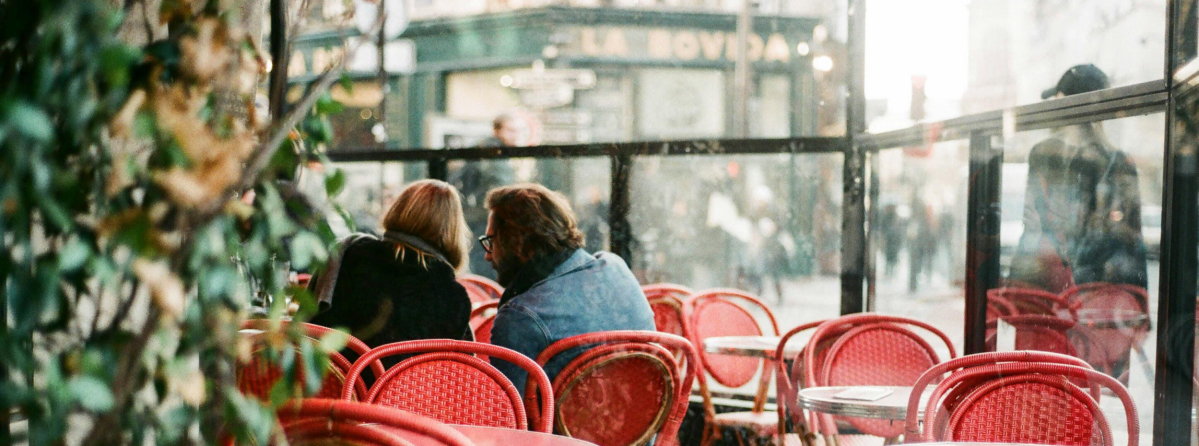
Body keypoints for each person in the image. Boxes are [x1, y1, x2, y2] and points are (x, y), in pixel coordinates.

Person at [482, 184, 655, 392]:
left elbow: (509, 414)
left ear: (516, 241)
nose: (487, 255)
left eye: (491, 241)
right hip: (647, 421)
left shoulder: (520, 317)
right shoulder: (616, 268)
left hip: (560, 425)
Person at [1008, 64, 1148, 293]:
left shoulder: (1043, 154)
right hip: (1099, 290)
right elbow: (1133, 242)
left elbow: (1032, 225)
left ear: (1064, 101)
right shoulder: (1120, 162)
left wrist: (1015, 287)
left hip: (1047, 287)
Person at [308, 180, 473, 364]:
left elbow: (307, 327)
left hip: (336, 387)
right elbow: (458, 372)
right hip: (405, 393)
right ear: (453, 230)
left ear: (399, 208)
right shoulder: (453, 297)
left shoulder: (350, 255)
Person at [450, 113, 518, 280]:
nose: (515, 135)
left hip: (475, 215)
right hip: (485, 216)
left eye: (518, 131)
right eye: (510, 130)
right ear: (497, 130)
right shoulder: (494, 152)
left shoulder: (485, 149)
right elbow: (500, 187)